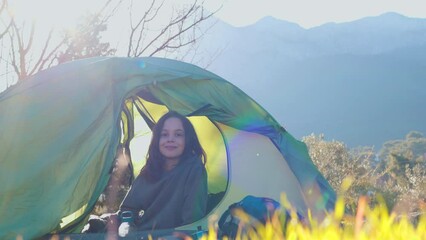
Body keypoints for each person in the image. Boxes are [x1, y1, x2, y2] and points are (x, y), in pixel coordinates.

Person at [117, 111, 208, 232]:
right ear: (157, 140)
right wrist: (127, 228)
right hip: (141, 234)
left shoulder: (194, 169)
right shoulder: (151, 169)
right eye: (164, 134)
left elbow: (191, 220)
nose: (170, 139)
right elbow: (128, 209)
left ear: (188, 139)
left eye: (178, 134)